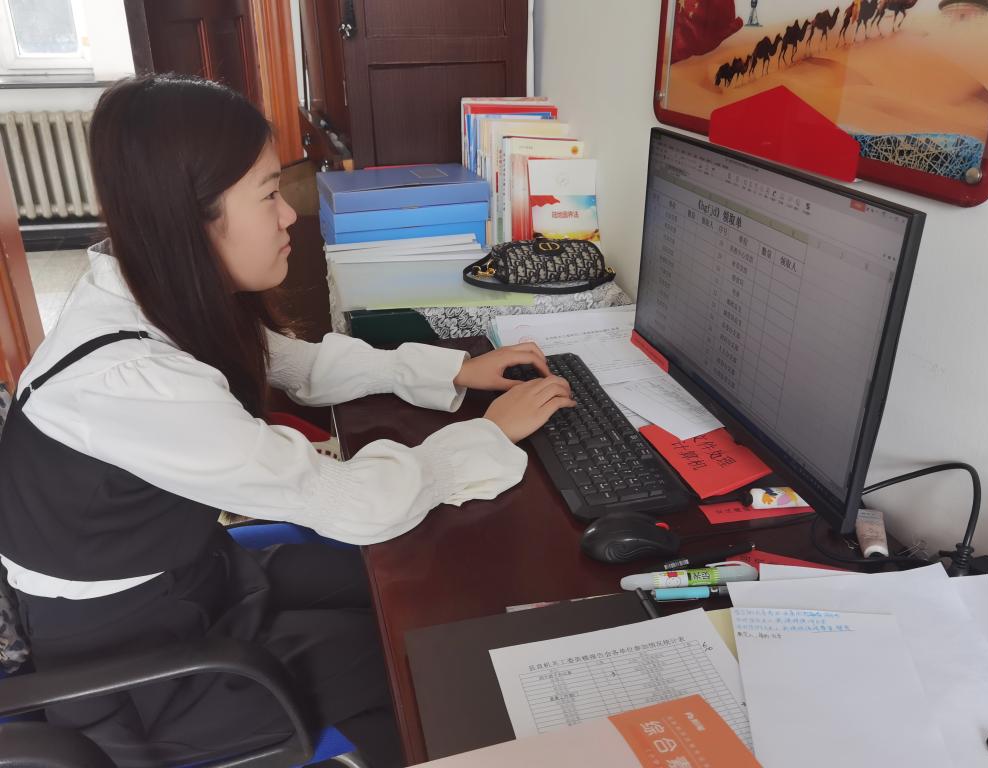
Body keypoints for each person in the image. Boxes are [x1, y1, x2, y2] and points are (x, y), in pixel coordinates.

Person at [0, 74, 575, 768]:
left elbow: (291, 362)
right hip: (141, 673)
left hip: (193, 584)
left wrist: (452, 371)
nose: (289, 217)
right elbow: (358, 505)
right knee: (426, 652)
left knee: (415, 579)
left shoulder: (142, 289)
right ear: (190, 216)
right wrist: (489, 433)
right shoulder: (134, 382)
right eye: (269, 194)